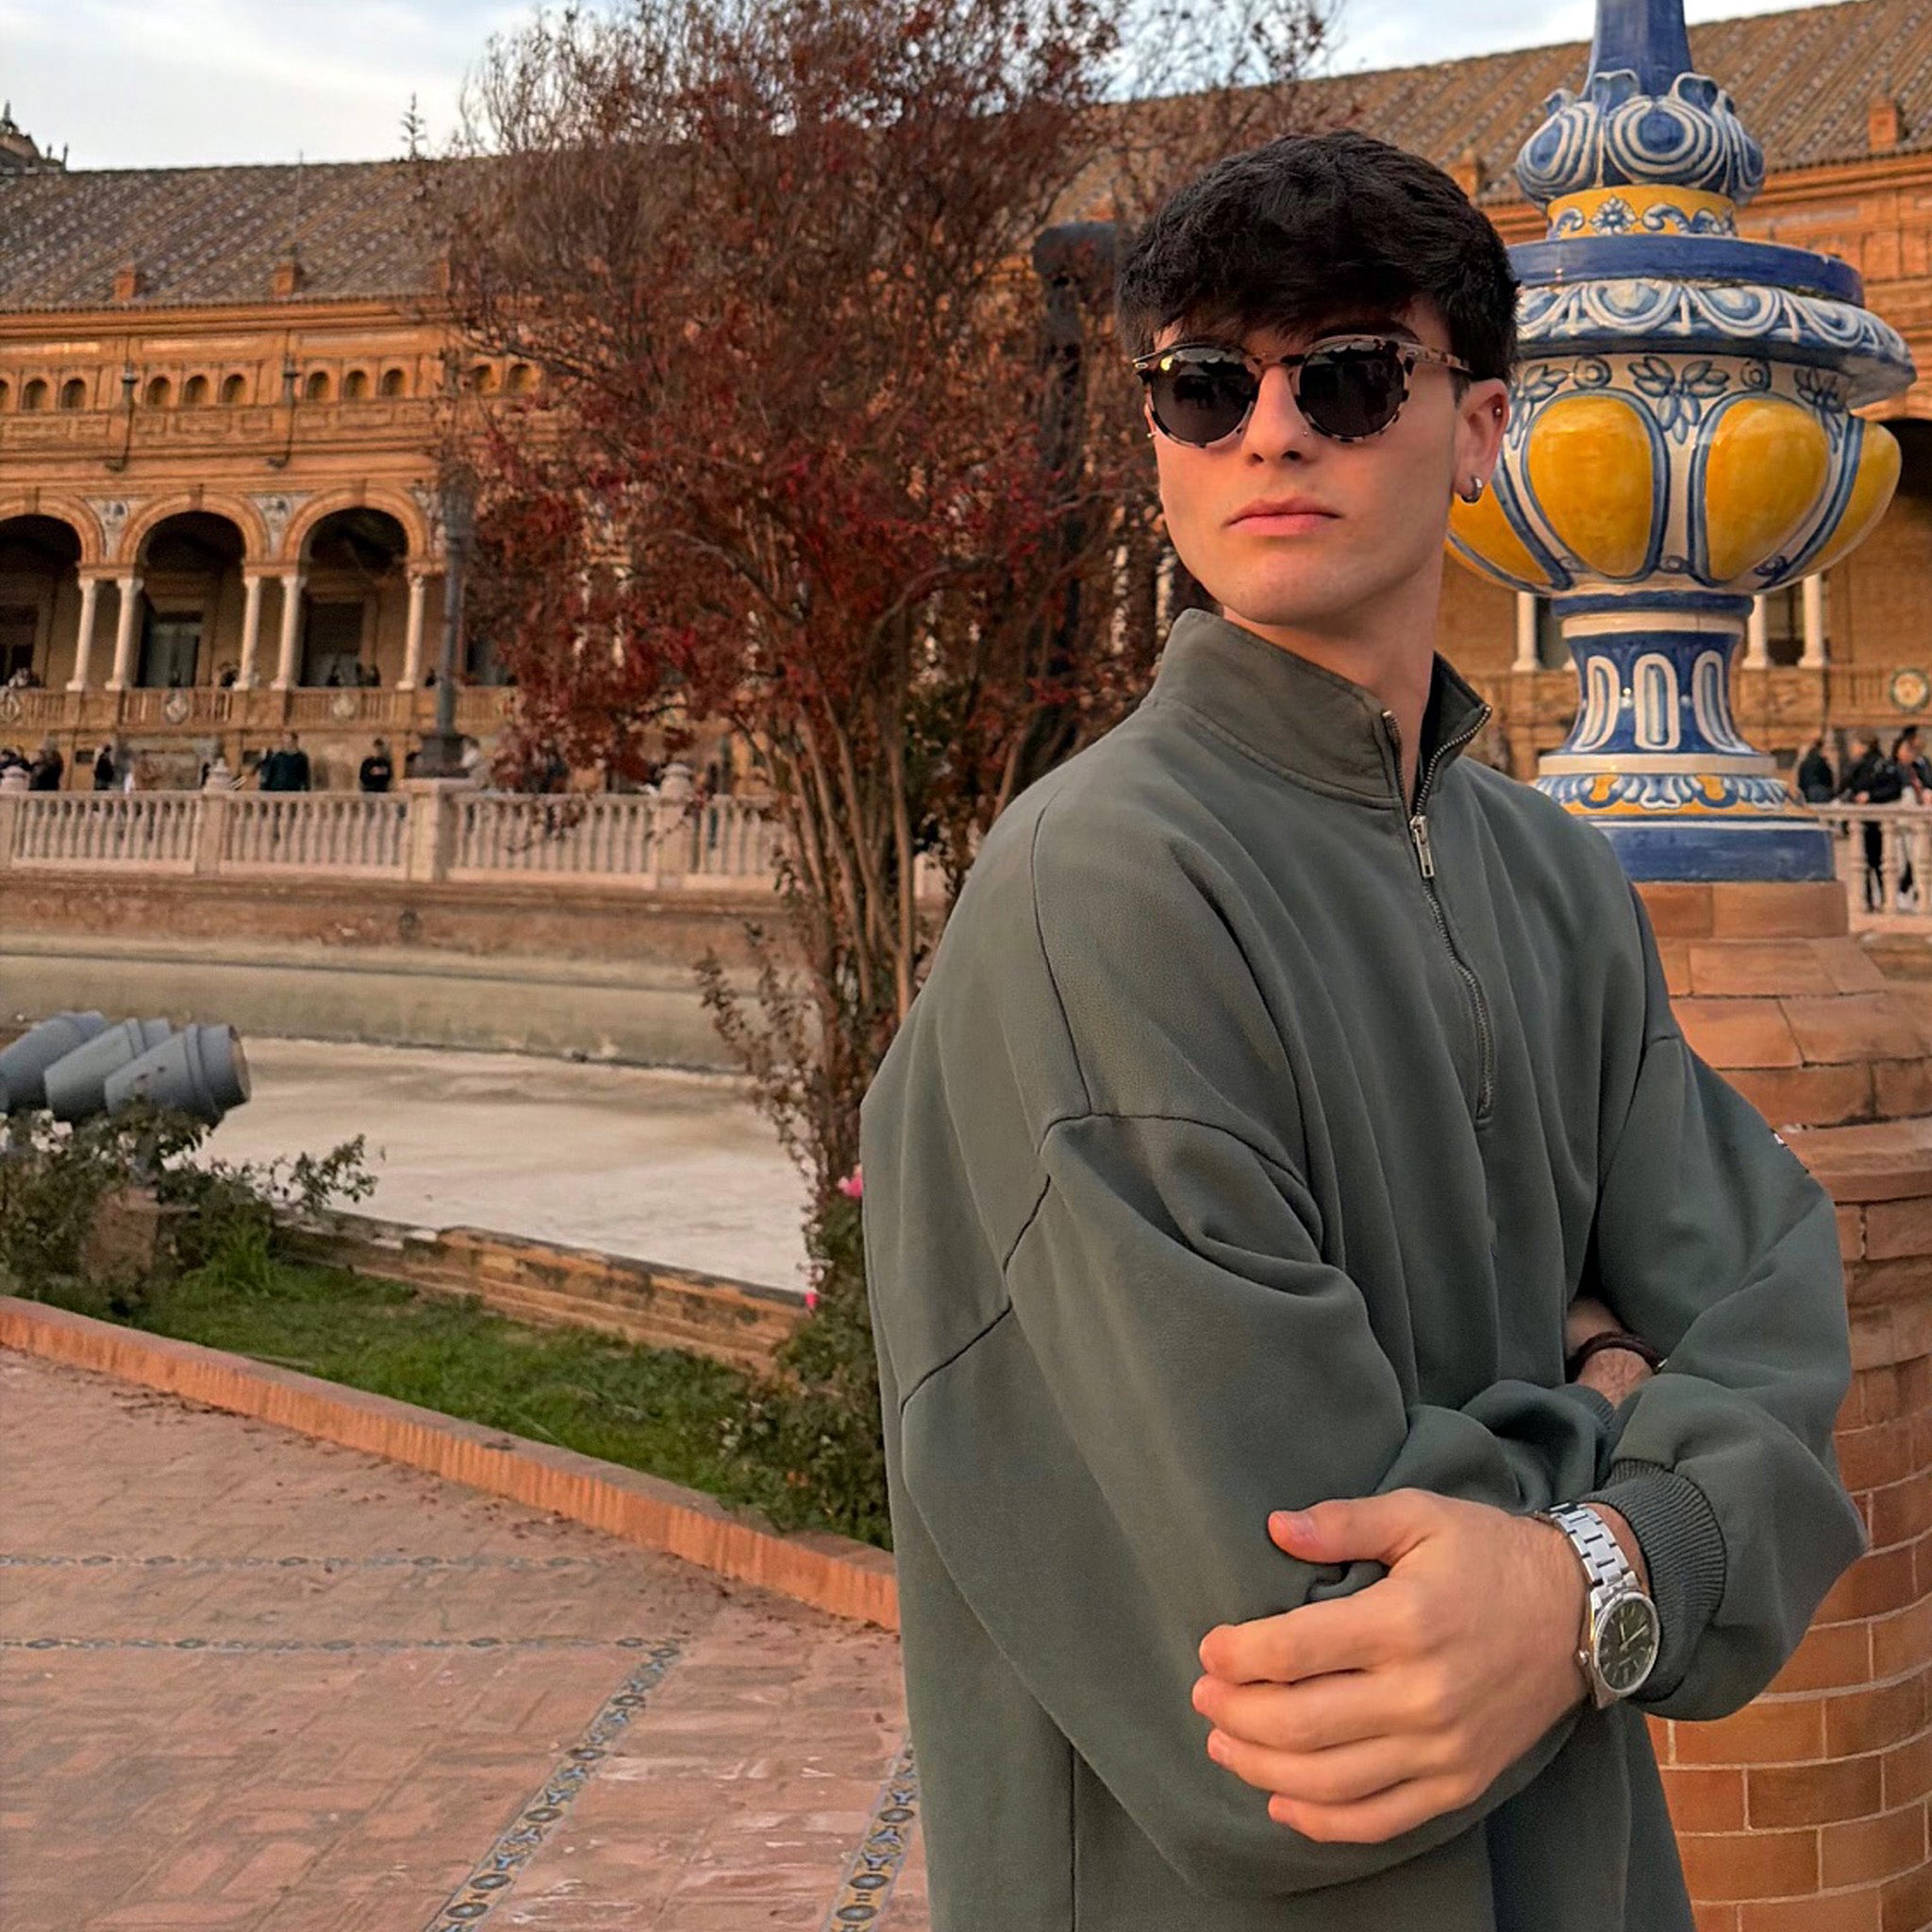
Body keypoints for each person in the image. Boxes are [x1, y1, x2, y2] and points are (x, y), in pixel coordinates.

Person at [858, 131, 1862, 1932]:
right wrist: (1616, 1430)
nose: (1268, 430)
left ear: (1477, 428)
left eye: (1341, 373)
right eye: (1201, 382)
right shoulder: (1102, 886)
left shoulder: (1546, 876)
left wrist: (1561, 1580)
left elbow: (1777, 1308)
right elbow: (1317, 1623)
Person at [1840, 732, 1903, 910]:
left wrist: (1870, 796)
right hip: (1867, 822)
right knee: (1870, 863)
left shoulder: (1878, 766)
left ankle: (1876, 900)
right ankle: (1876, 899)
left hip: (1875, 822)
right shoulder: (1860, 766)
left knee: (1875, 862)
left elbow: (1892, 789)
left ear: (1864, 746)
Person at [258, 730, 311, 794]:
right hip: (275, 792)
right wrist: (263, 789)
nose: (286, 744)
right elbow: (268, 774)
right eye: (284, 742)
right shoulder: (277, 757)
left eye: (289, 741)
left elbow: (305, 777)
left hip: (293, 792)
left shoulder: (301, 757)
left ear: (295, 741)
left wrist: (306, 790)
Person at [1795, 735, 1835, 803]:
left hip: (1808, 790)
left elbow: (1801, 776)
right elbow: (1828, 777)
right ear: (1821, 748)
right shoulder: (1822, 761)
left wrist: (1802, 789)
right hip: (1821, 790)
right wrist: (1831, 790)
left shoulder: (1806, 760)